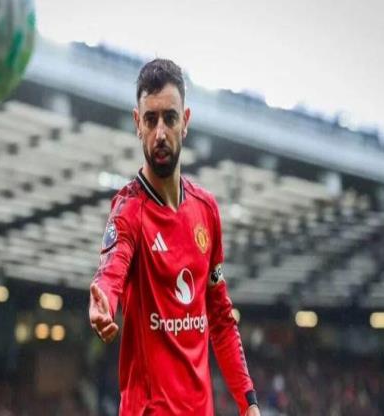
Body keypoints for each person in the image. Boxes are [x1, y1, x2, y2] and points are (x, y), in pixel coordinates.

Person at [89, 59, 260, 416]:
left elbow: (221, 317)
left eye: (170, 118)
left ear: (186, 122)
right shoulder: (128, 211)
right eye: (150, 120)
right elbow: (112, 268)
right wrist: (104, 299)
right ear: (137, 124)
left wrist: (248, 402)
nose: (160, 133)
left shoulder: (205, 210)